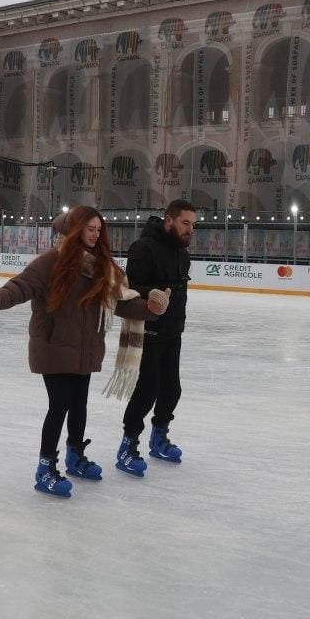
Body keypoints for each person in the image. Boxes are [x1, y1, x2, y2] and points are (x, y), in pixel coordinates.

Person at [0, 206, 169, 498]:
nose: (95, 235)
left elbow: (119, 302)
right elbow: (21, 286)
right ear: (75, 230)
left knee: (79, 403)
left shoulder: (102, 266)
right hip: (54, 346)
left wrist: (149, 308)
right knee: (60, 405)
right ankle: (45, 469)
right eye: (89, 229)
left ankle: (75, 457)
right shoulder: (52, 261)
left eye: (98, 230)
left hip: (86, 347)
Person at [113, 198, 195, 477]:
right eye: (185, 223)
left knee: (172, 390)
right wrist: (154, 295)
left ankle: (158, 438)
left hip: (173, 332)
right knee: (147, 390)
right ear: (169, 220)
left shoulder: (183, 255)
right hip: (149, 330)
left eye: (193, 225)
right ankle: (128, 444)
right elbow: (131, 289)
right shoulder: (143, 248)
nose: (190, 229)